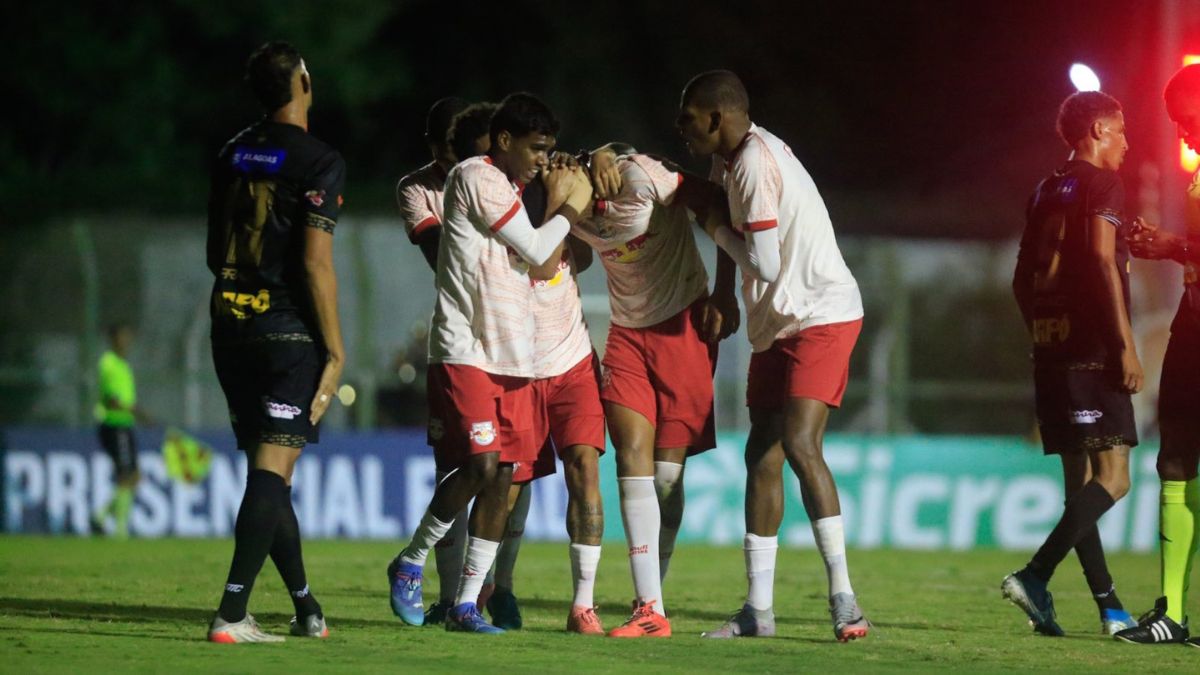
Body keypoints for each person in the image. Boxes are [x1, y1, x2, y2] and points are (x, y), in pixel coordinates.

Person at [386, 92, 592, 633]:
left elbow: (568, 251)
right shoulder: (477, 177)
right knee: (477, 466)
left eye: (549, 150)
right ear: (504, 142)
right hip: (467, 349)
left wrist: (572, 173)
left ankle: (465, 606)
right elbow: (541, 251)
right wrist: (570, 205)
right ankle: (410, 560)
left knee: (504, 478)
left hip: (516, 355)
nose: (543, 160)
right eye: (537, 149)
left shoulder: (516, 183)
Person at [677, 70, 868, 641]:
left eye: (688, 118)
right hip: (776, 323)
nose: (680, 129)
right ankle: (758, 611)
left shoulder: (757, 164)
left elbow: (763, 262)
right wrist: (719, 292)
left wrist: (710, 224)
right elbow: (735, 237)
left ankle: (845, 598)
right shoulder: (729, 159)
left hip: (821, 315)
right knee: (762, 452)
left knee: (801, 443)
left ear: (717, 118)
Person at [204, 41, 346, 643]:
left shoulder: (232, 151)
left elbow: (215, 250)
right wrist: (335, 351)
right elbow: (315, 264)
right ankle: (232, 614)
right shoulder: (318, 159)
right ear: (304, 82)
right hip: (285, 328)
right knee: (271, 468)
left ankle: (307, 607)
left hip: (229, 323)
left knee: (271, 472)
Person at [569, 147, 740, 638]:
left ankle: (654, 591)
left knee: (666, 479)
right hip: (626, 334)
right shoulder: (560, 200)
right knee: (631, 460)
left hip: (684, 325)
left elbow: (716, 201)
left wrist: (726, 292)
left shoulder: (642, 178)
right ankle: (650, 610)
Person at [1004, 90, 1140, 637]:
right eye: (1121, 130)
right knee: (1115, 479)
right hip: (1093, 348)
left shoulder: (1043, 190)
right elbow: (1103, 259)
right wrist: (1125, 344)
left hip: (1052, 348)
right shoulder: (1103, 184)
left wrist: (1043, 330)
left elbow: (1020, 278)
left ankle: (1109, 609)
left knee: (1079, 484)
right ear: (1096, 132)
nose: (1127, 142)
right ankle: (1036, 575)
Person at [1115, 64, 1200, 647]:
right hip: (1192, 325)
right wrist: (1173, 249)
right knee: (1173, 460)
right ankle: (1171, 612)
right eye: (1176, 125)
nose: (1183, 136)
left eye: (1187, 121)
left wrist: (1177, 245)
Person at [90, 323, 151, 539]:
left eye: (128, 337)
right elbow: (112, 400)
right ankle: (120, 530)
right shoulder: (108, 363)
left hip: (125, 425)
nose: (126, 341)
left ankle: (100, 517)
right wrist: (137, 411)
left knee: (133, 476)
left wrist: (136, 414)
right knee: (126, 475)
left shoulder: (124, 365)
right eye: (122, 337)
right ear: (113, 338)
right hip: (114, 424)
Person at [397, 97, 468, 271]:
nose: (455, 169)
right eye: (446, 161)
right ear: (430, 143)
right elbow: (441, 260)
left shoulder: (504, 173)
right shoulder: (415, 188)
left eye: (464, 159)